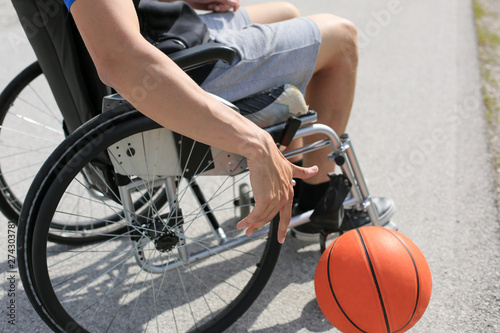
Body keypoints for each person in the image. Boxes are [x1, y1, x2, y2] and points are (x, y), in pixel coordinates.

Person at [64, 0, 395, 244]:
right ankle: (317, 200)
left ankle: (289, 182)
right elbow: (120, 59)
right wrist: (252, 141)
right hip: (176, 70)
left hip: (168, 32)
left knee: (287, 13)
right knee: (342, 37)